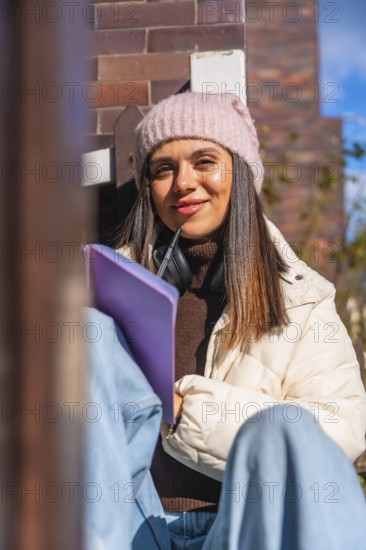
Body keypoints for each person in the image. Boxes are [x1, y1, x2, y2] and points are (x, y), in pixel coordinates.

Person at [83, 92, 366, 550]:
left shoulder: (302, 298)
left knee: (288, 429)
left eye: (205, 161)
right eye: (164, 169)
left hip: (244, 529)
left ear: (240, 171)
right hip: (130, 526)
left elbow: (338, 437)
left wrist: (183, 410)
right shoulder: (108, 288)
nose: (183, 183)